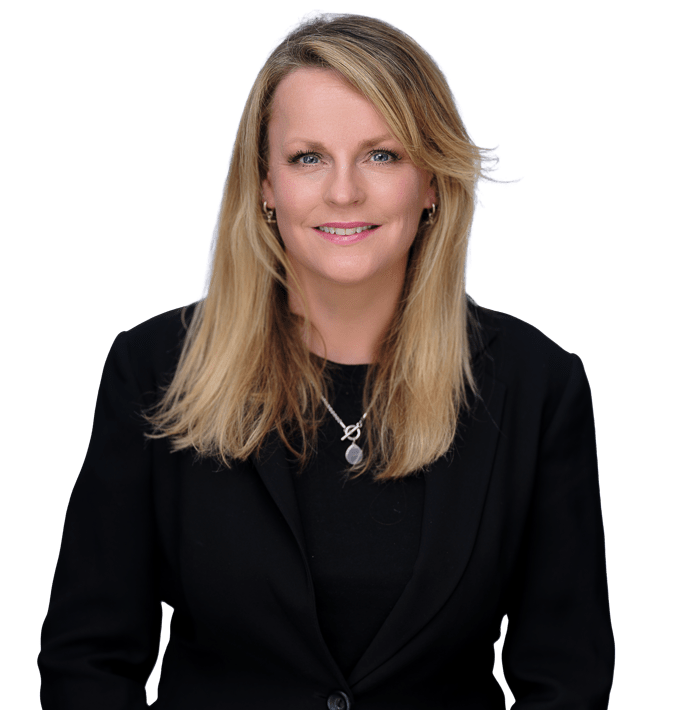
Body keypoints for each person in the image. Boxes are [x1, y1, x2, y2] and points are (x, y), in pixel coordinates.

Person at [37, 10, 614, 709]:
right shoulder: (154, 368)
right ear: (265, 185)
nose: (344, 192)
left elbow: (567, 677)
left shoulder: (537, 384)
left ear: (432, 182)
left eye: (382, 155)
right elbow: (87, 661)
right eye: (308, 157)